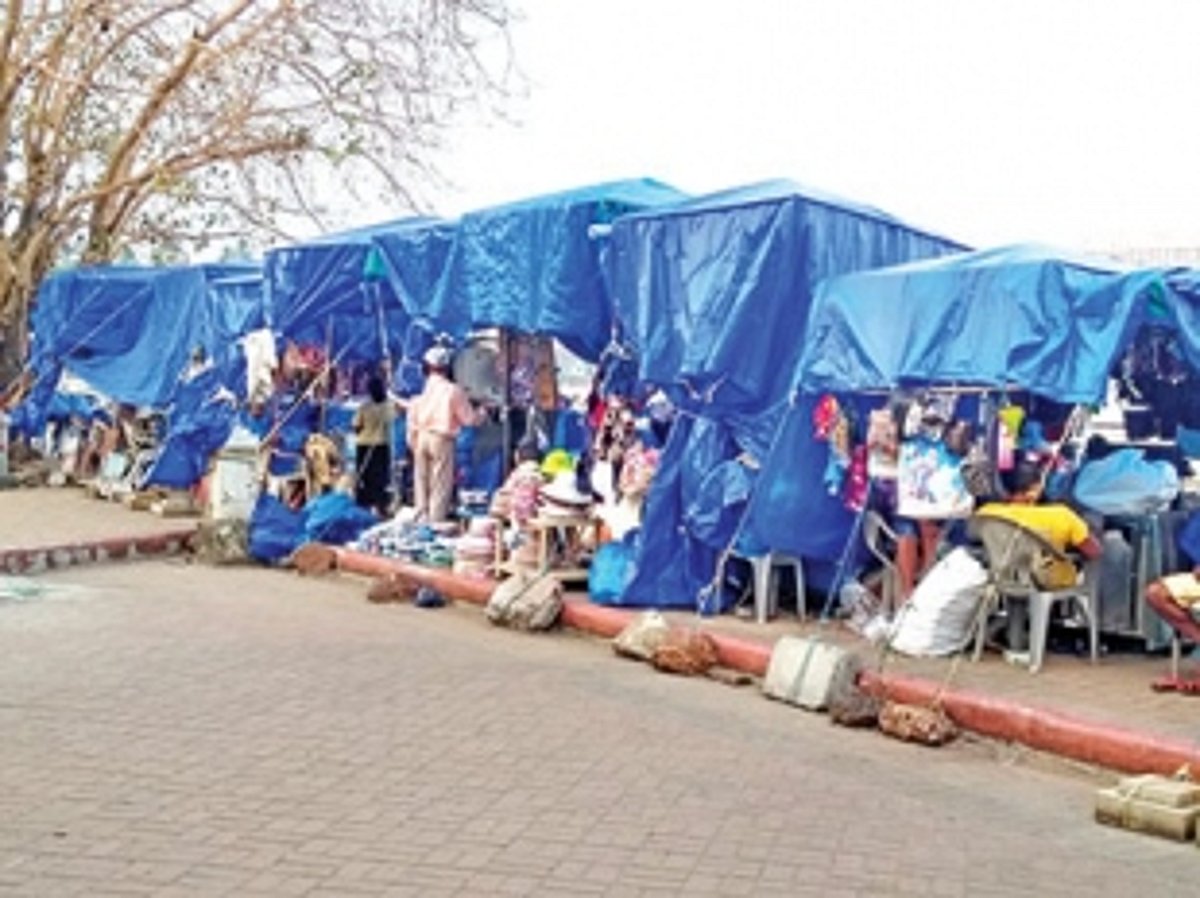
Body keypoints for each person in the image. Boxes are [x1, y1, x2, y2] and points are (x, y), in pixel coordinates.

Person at [976, 461, 1102, 652]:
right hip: (1048, 579)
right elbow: (1094, 552)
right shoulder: (1062, 515)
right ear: (1036, 487)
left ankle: (1016, 640)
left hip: (1004, 575)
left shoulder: (987, 512)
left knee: (1020, 570)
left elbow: (974, 537)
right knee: (1053, 568)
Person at [407, 346, 477, 522]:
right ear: (447, 367)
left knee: (421, 482)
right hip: (441, 439)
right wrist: (482, 413)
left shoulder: (424, 389)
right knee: (440, 485)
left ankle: (420, 520)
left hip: (421, 436)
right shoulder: (452, 390)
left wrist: (413, 439)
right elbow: (469, 420)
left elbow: (413, 414)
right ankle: (435, 523)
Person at [352, 375, 394, 516]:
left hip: (364, 445)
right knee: (381, 478)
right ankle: (381, 507)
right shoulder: (388, 406)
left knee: (364, 478)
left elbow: (356, 427)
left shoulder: (364, 407)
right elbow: (392, 421)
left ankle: (363, 507)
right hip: (382, 446)